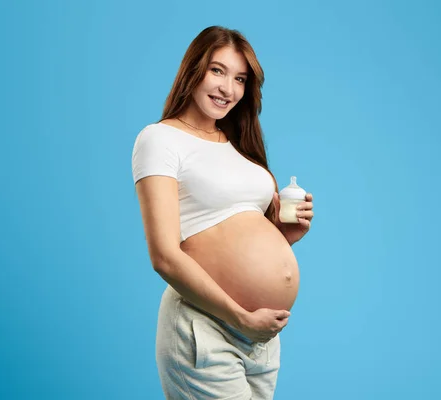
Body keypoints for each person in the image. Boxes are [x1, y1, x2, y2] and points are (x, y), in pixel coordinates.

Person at [132, 26, 314, 400]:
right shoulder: (160, 139)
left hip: (260, 336)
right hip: (207, 325)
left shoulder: (238, 146)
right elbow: (164, 256)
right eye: (217, 70)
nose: (227, 89)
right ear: (192, 70)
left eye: (240, 78)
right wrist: (240, 317)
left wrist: (283, 238)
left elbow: (235, 240)